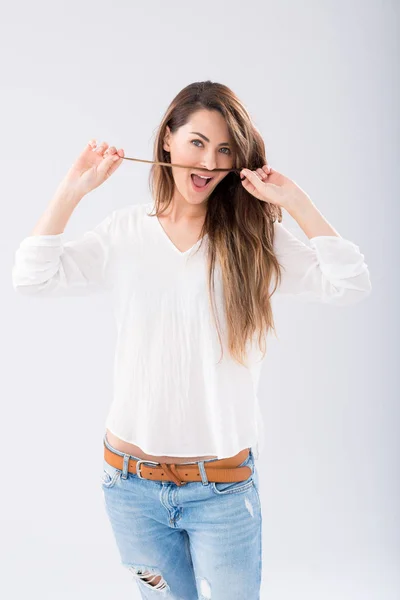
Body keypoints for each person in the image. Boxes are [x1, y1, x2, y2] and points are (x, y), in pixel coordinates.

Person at [11, 80, 372, 599]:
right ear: (167, 141)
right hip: (130, 487)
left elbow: (350, 283)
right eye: (197, 142)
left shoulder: (256, 239)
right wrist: (73, 189)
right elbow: (33, 277)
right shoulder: (125, 233)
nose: (208, 161)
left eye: (225, 149)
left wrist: (293, 200)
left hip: (222, 492)